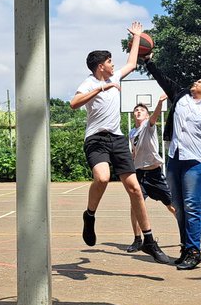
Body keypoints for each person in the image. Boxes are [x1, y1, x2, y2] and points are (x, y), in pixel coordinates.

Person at [70, 22, 173, 264]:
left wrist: (137, 37)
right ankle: (90, 215)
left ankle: (149, 240)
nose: (113, 64)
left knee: (135, 189)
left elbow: (132, 63)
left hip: (116, 139)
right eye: (109, 61)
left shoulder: (116, 75)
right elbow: (74, 104)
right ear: (100, 66)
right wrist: (101, 88)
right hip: (96, 139)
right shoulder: (90, 83)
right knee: (103, 178)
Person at [144, 59, 201, 270]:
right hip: (175, 159)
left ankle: (195, 251)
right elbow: (162, 77)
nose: (197, 81)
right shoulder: (180, 96)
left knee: (192, 206)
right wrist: (147, 60)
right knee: (179, 207)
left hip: (196, 162)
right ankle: (186, 248)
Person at [126, 96, 176, 253]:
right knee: (135, 206)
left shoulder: (149, 125)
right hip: (139, 174)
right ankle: (137, 239)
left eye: (142, 110)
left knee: (171, 206)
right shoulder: (132, 132)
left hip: (154, 173)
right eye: (136, 110)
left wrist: (160, 103)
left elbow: (155, 116)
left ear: (147, 115)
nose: (138, 111)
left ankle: (187, 235)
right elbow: (134, 151)